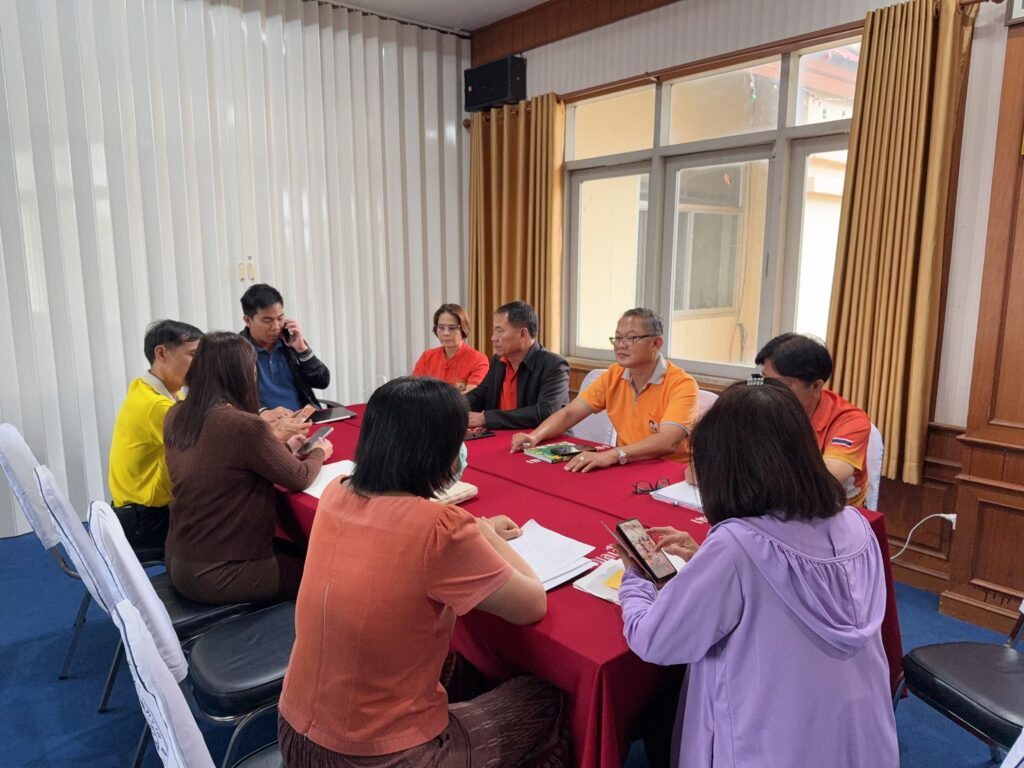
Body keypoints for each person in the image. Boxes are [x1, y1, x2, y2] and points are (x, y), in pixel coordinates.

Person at [278, 376, 570, 767]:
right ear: (438, 451)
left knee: (463, 667)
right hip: (375, 757)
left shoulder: (337, 490)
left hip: (295, 730)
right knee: (543, 698)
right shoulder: (439, 528)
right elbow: (532, 604)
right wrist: (485, 534)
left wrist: (472, 527)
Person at [618, 378, 898, 768]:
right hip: (857, 738)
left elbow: (655, 640)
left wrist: (637, 577)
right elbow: (789, 585)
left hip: (768, 742)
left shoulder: (736, 547)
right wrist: (705, 560)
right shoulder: (856, 524)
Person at [163, 332, 333, 605]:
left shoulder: (176, 414)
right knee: (329, 570)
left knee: (300, 548)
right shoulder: (243, 425)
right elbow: (300, 477)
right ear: (241, 373)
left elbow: (226, 462)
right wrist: (318, 452)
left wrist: (282, 448)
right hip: (219, 572)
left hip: (179, 559)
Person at [510, 308, 698, 473]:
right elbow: (569, 413)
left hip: (671, 474)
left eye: (631, 338)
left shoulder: (682, 384)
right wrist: (534, 436)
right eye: (618, 337)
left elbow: (667, 441)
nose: (621, 344)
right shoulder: (613, 375)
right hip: (629, 464)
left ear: (656, 343)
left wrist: (612, 455)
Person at [108, 320, 203, 559]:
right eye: (193, 355)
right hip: (145, 522)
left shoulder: (149, 388)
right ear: (161, 353)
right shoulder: (155, 406)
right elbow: (210, 445)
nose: (201, 364)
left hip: (137, 513)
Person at [755, 332, 872, 506]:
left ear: (816, 386)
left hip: (833, 510)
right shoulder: (760, 404)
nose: (768, 390)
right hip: (771, 505)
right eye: (764, 379)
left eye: (781, 384)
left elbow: (826, 481)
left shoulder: (850, 421)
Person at [465, 300, 569, 430]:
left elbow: (543, 413)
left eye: (500, 331)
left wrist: (486, 418)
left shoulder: (554, 365)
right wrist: (451, 405)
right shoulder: (498, 360)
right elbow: (480, 395)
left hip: (543, 438)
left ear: (523, 334)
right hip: (503, 433)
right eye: (494, 331)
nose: (493, 338)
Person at [240, 283, 331, 412]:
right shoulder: (236, 351)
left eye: (280, 318)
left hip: (304, 418)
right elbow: (232, 397)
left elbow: (322, 382)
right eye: (267, 321)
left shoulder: (290, 342)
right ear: (248, 320)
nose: (276, 327)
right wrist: (262, 413)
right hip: (265, 422)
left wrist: (302, 349)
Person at [411, 303, 489, 393]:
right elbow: (414, 390)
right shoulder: (427, 357)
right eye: (441, 327)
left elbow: (472, 396)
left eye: (452, 328)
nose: (446, 333)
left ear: (463, 329)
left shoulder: (478, 359)